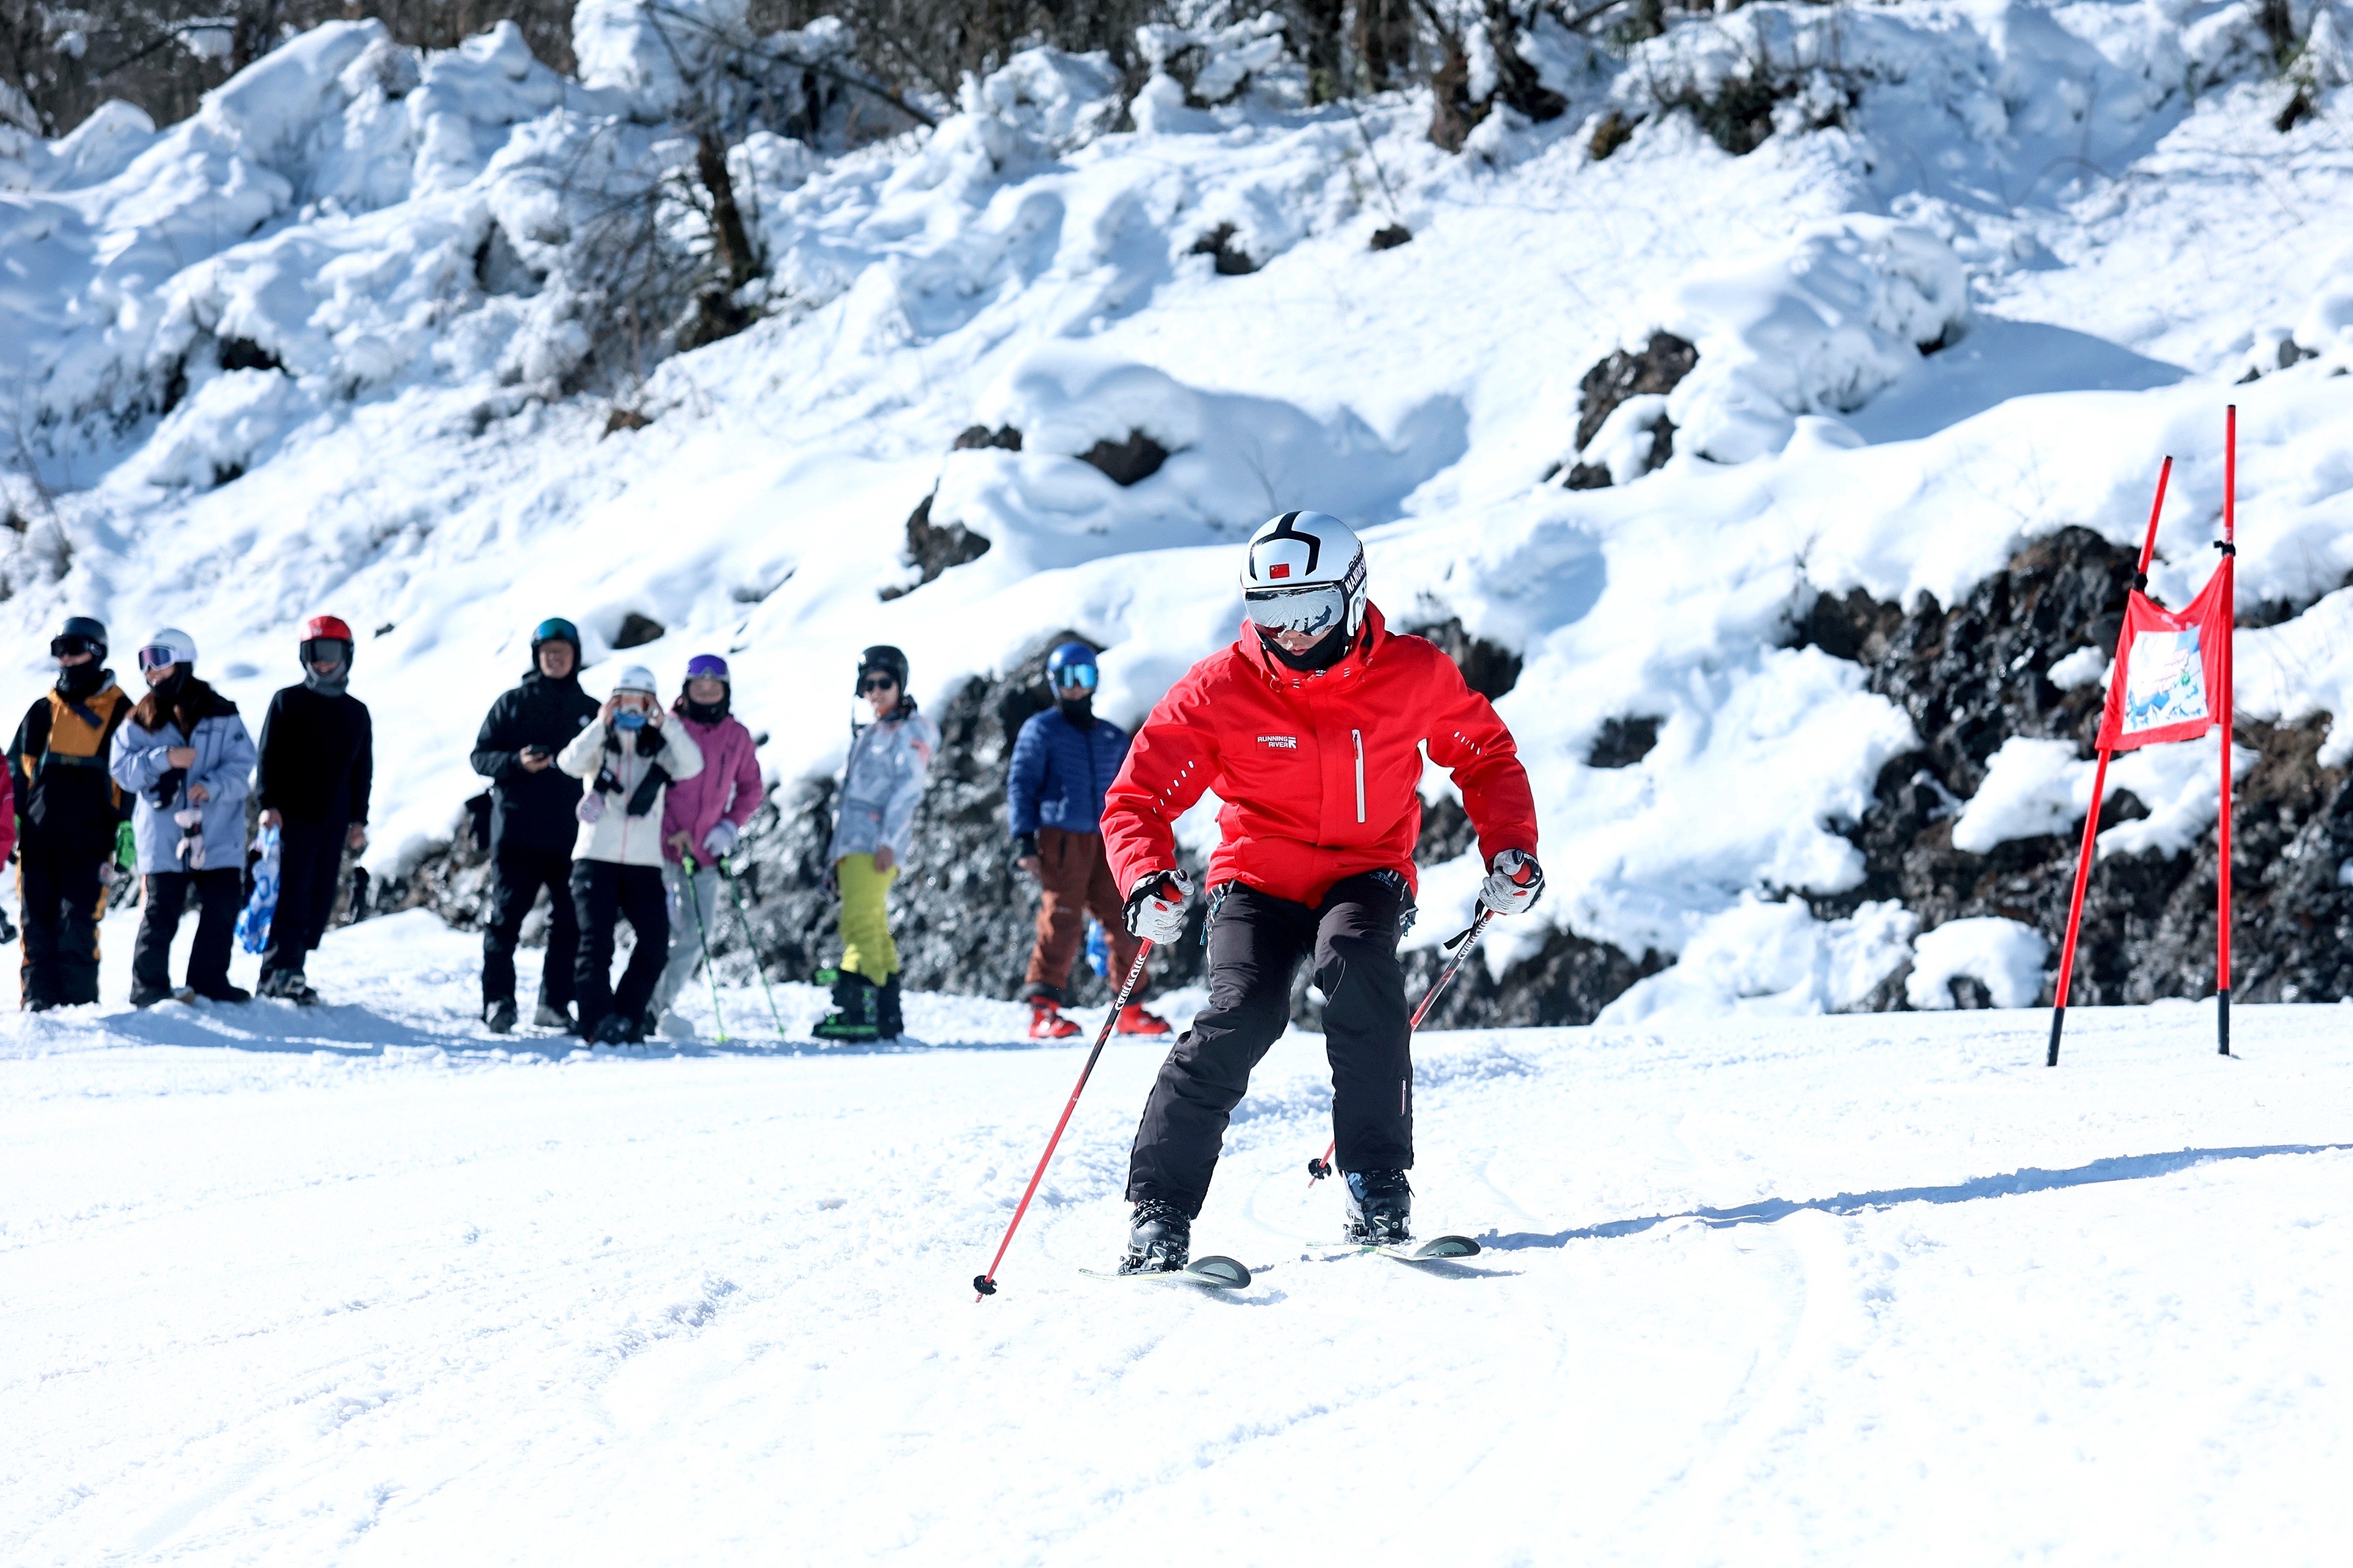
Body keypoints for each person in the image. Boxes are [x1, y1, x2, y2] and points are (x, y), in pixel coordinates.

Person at [1101, 511, 1544, 1273]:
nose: (1290, 633)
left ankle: (1376, 1187)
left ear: (1351, 594)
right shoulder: (1219, 688)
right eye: (1268, 613)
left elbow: (1485, 758)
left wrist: (1511, 851)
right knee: (1242, 1012)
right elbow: (1137, 800)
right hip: (1255, 879)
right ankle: (1158, 1215)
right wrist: (1143, 877)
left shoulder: (1412, 674)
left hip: (1364, 871)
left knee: (1356, 970)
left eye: (1306, 611)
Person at [1009, 641, 1170, 1040]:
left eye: (1085, 677)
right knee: (1062, 918)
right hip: (1061, 838)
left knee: (1124, 917)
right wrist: (1024, 842)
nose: (1077, 688)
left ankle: (1129, 1008)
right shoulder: (1041, 730)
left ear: (1096, 681)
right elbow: (1021, 785)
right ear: (1054, 683)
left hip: (1107, 840)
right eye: (1068, 679)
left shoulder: (1110, 737)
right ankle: (1042, 1011)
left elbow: (1132, 789)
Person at [108, 628, 259, 1006]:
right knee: (161, 912)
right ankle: (149, 988)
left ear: (183, 660)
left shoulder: (222, 712)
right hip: (163, 836)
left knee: (223, 905)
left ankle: (209, 982)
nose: (151, 672)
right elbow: (122, 770)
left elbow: (243, 767)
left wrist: (214, 786)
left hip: (218, 832)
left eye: (159, 660)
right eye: (144, 662)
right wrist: (164, 759)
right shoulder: (138, 719)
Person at [558, 665, 703, 1045]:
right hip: (594, 858)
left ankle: (627, 1016)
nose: (633, 711)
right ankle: (595, 1022)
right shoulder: (598, 745)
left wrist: (665, 723)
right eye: (626, 701)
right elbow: (567, 762)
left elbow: (693, 764)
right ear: (613, 700)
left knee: (655, 942)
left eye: (642, 703)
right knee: (596, 943)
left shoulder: (658, 748)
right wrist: (600, 724)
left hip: (643, 863)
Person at [471, 618, 601, 1034]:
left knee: (569, 924)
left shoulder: (592, 710)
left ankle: (554, 1004)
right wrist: (516, 763)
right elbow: (480, 757)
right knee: (505, 921)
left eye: (563, 653)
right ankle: (498, 1002)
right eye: (548, 654)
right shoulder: (512, 703)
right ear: (536, 657)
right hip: (516, 835)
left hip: (573, 838)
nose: (556, 660)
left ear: (576, 658)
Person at [813, 645, 938, 1043]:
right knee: (875, 925)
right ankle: (885, 1011)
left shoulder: (910, 731)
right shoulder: (871, 733)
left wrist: (889, 841)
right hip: (852, 844)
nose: (876, 691)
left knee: (858, 922)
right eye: (868, 685)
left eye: (885, 683)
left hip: (874, 845)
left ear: (900, 684)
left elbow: (908, 790)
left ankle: (857, 1008)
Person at [8, 617, 134, 1009]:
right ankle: (38, 1002)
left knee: (77, 922)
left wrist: (128, 828)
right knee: (36, 922)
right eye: (59, 650)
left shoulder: (122, 711)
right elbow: (16, 771)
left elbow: (129, 777)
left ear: (96, 653)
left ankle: (79, 1008)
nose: (66, 659)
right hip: (38, 836)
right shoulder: (43, 711)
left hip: (91, 840)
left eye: (74, 649)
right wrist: (12, 820)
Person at [252, 616, 372, 1004]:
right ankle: (276, 973)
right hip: (291, 816)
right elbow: (267, 756)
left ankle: (293, 970)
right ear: (305, 656)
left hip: (334, 818)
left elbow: (362, 771)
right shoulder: (287, 701)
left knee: (320, 896)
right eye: (317, 654)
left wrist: (358, 820)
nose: (324, 663)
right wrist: (268, 804)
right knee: (290, 893)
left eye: (332, 653)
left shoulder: (357, 712)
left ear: (346, 657)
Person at [650, 654, 763, 1040]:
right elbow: (651, 787)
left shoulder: (737, 736)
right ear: (687, 690)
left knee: (698, 932)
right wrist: (669, 832)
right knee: (655, 931)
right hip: (660, 851)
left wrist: (730, 826)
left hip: (705, 854)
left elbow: (750, 788)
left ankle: (656, 1005)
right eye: (700, 686)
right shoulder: (668, 728)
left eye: (715, 687)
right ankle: (638, 1002)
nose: (707, 692)